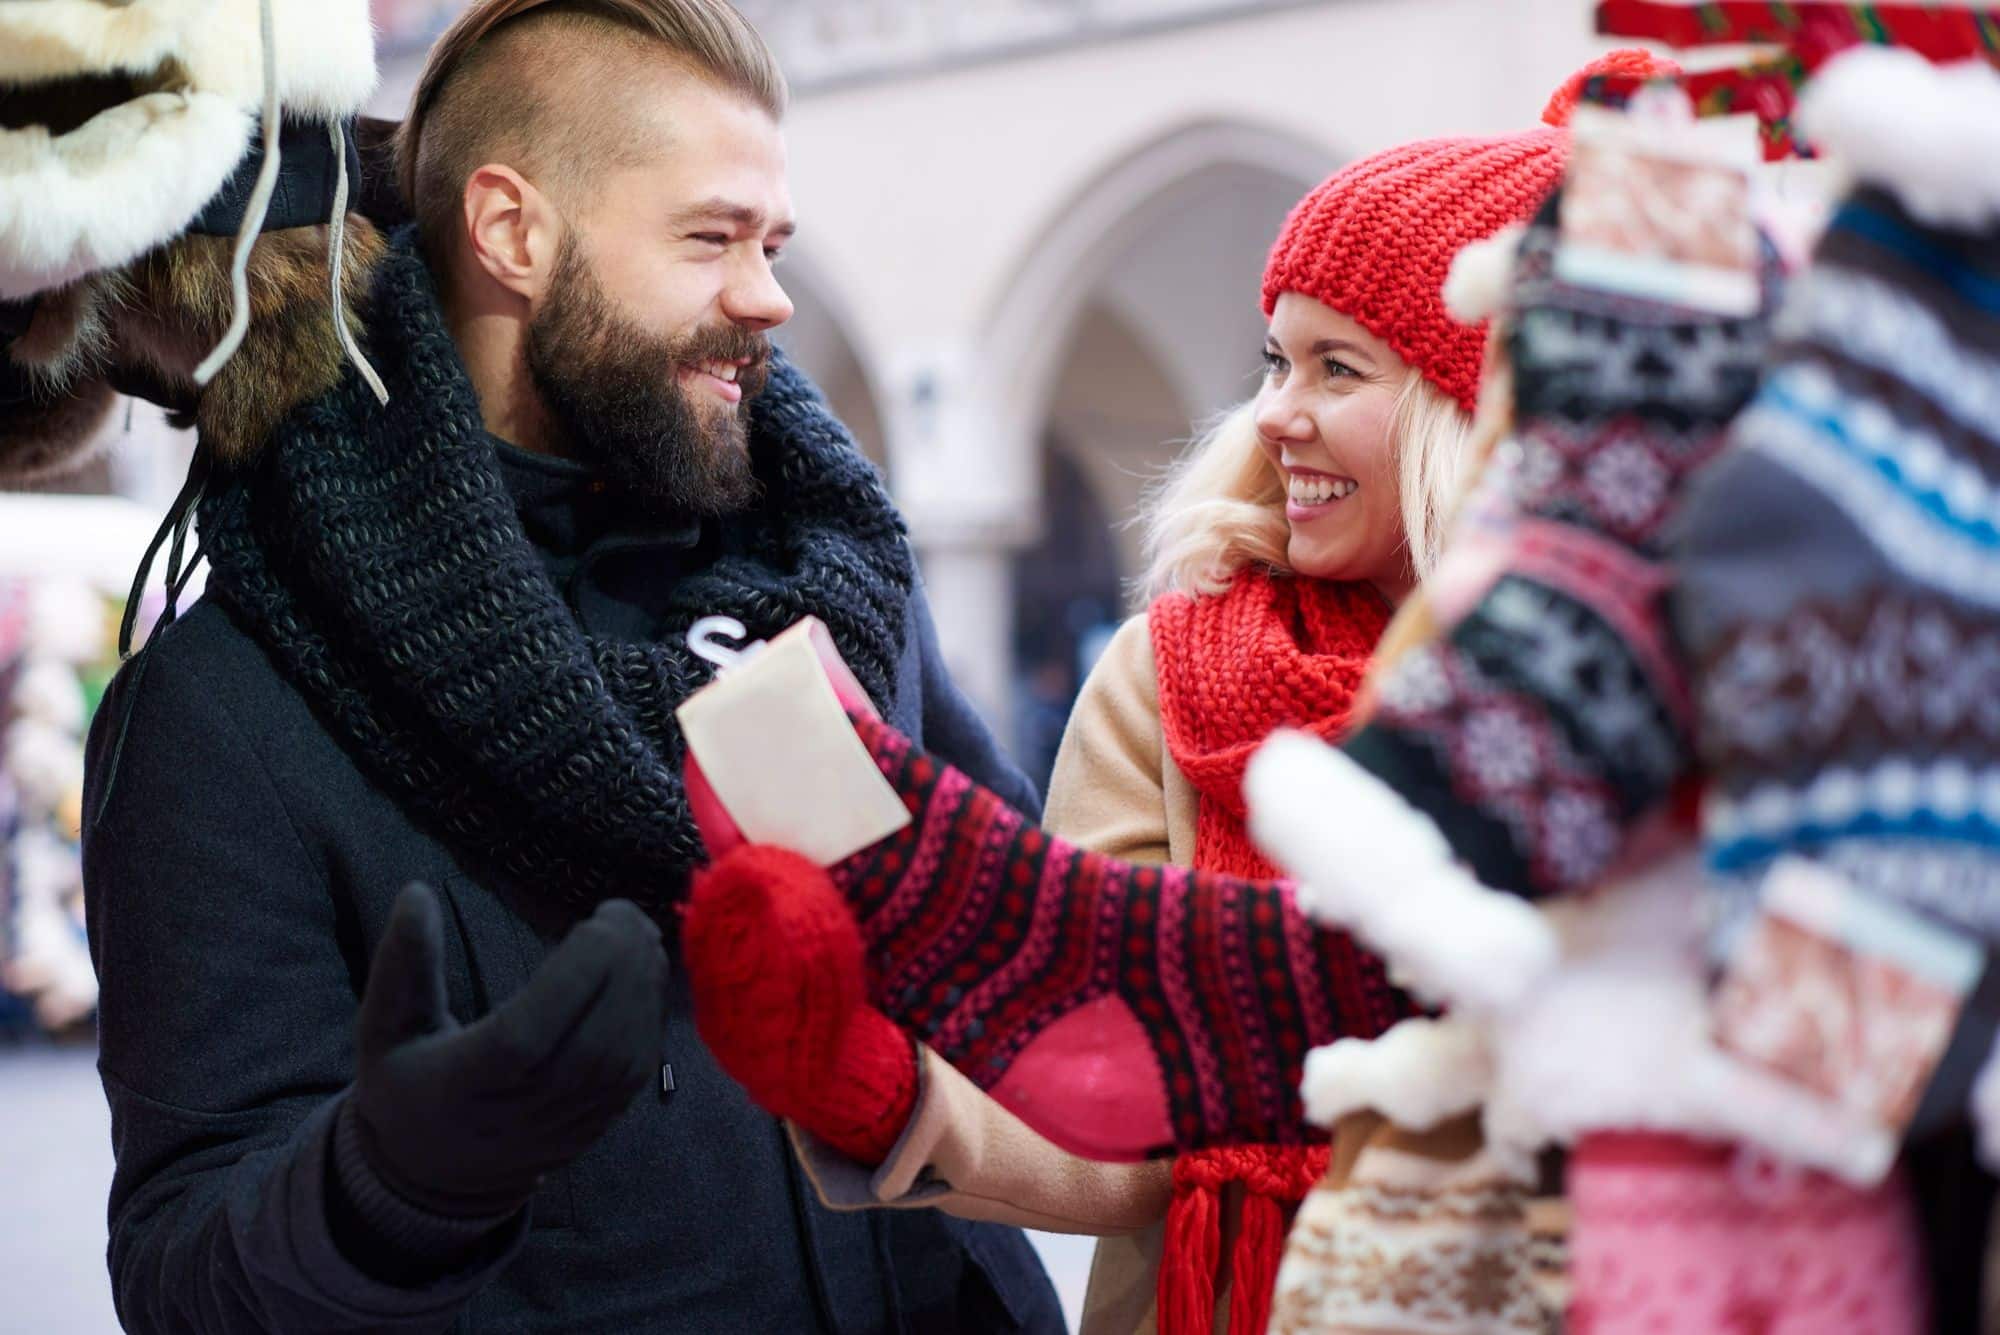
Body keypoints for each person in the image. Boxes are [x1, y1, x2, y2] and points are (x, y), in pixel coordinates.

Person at [78, 1, 1064, 1330]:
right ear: (511, 232)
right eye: (712, 237)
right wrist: (386, 1183)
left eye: (771, 243)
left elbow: (1041, 955)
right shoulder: (227, 706)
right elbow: (183, 1267)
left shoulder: (837, 587)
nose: (768, 294)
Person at [675, 58, 1671, 1334]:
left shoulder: (1657, 695)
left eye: (1337, 371)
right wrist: (903, 1103)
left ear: (1476, 412)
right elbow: (1123, 1091)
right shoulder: (1172, 676)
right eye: (1274, 361)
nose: (1272, 418)